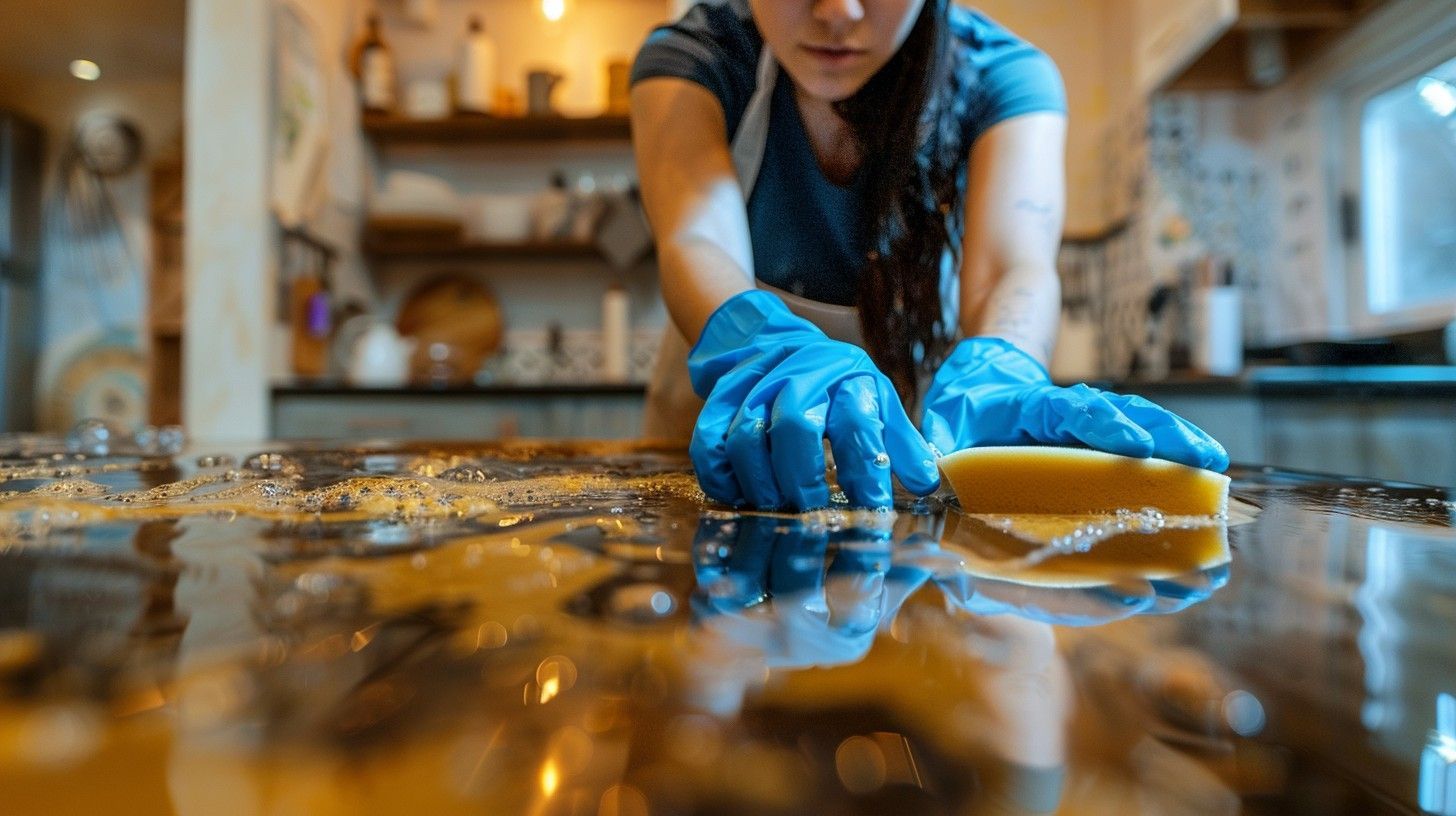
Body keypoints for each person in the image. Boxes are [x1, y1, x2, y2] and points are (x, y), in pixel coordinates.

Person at [630, 0, 1227, 511]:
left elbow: (1011, 270)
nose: (839, 10)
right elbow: (696, 237)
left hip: (901, 477)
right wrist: (762, 345)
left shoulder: (1002, 77)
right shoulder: (698, 57)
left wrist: (1001, 364)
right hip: (720, 473)